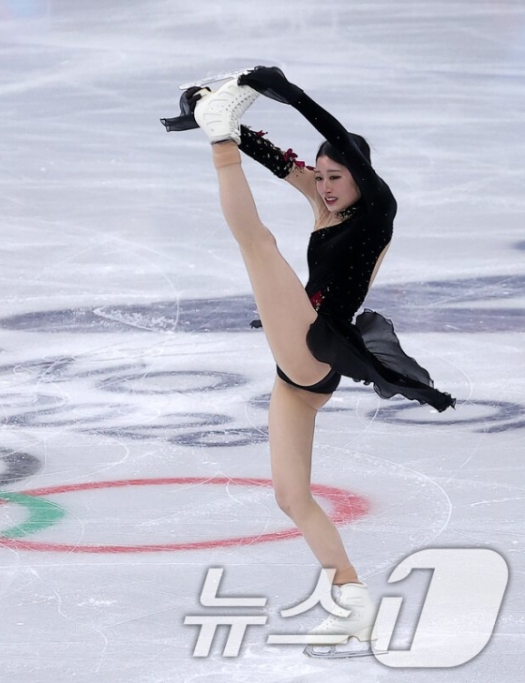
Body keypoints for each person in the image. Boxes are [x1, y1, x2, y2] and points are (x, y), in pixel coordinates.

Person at [166, 67, 456, 657]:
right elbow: (280, 161)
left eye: (336, 177)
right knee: (291, 497)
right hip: (300, 375)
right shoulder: (329, 203)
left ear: (361, 177)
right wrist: (211, 112)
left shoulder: (377, 211)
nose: (323, 187)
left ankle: (214, 143)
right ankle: (354, 603)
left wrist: (282, 100)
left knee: (258, 245)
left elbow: (335, 134)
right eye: (320, 176)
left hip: (314, 343)